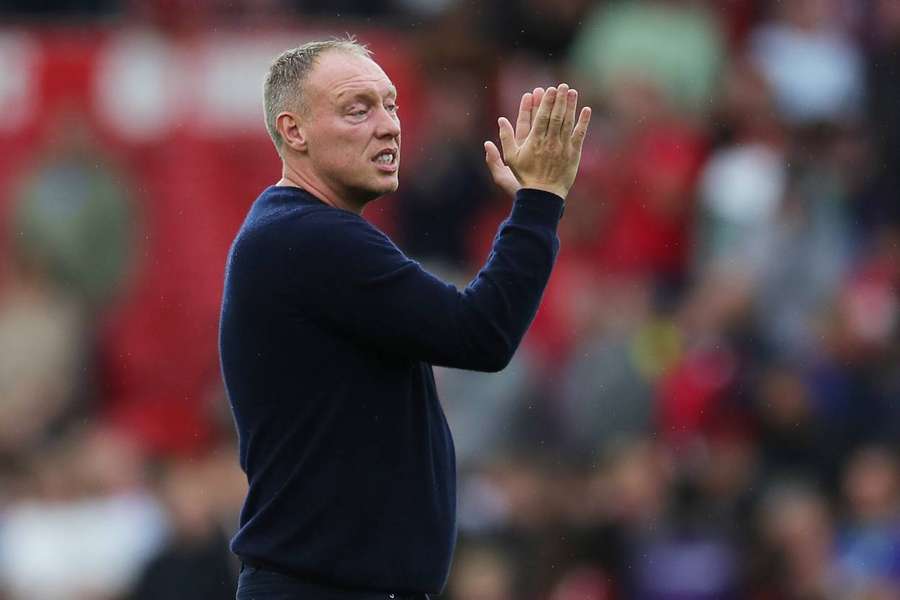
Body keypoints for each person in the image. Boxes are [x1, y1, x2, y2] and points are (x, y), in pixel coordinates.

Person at [218, 37, 591, 600]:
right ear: (294, 132)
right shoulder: (309, 237)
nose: (390, 126)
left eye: (390, 105)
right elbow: (481, 334)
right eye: (357, 109)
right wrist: (539, 203)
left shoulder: (295, 233)